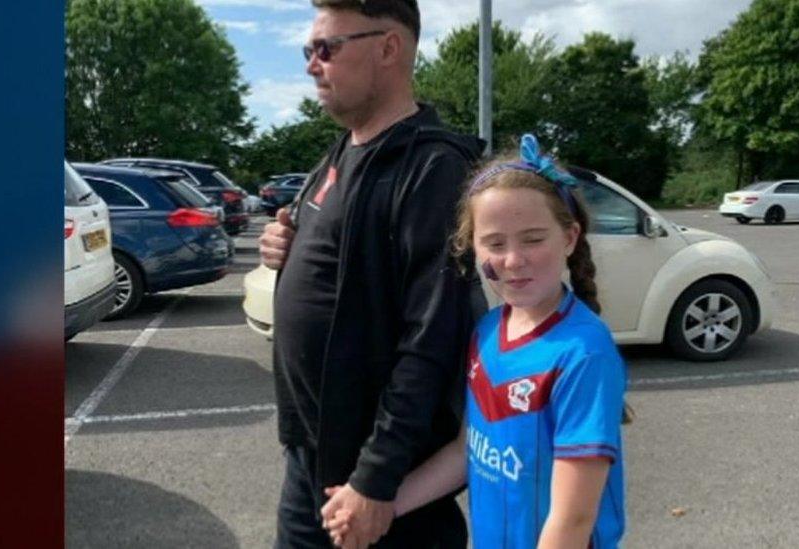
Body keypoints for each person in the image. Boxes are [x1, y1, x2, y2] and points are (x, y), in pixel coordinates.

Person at [324, 134, 629, 548]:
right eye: (494, 243)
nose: (513, 259)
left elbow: (572, 519)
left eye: (534, 239)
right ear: (472, 248)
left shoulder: (582, 353)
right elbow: (468, 450)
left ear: (570, 237)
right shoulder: (487, 331)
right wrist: (379, 503)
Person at [258, 1, 485, 547]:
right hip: (311, 465)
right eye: (307, 50)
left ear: (389, 48)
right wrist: (282, 248)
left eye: (326, 48)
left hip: (379, 487)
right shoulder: (341, 151)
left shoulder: (432, 169)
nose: (312, 64)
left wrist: (377, 480)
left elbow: (430, 340)